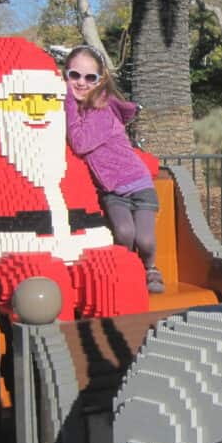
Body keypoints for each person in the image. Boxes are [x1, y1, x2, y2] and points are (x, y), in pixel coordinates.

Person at [0, 37, 150, 320]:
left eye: (47, 100)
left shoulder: (71, 144)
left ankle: (127, 356)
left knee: (121, 268)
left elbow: (118, 161)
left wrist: (148, 168)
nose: (36, 110)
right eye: (20, 99)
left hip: (84, 247)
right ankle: (52, 361)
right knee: (42, 279)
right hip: (11, 255)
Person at [63, 46, 165, 294]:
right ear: (65, 75)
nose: (81, 83)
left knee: (146, 240)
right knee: (124, 232)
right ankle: (130, 269)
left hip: (138, 183)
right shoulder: (81, 110)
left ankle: (150, 267)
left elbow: (80, 142)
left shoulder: (103, 109)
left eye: (90, 77)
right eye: (74, 76)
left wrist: (66, 97)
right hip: (113, 190)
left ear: (101, 80)